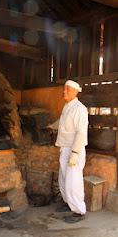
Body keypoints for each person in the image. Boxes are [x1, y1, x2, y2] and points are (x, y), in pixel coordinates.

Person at [49, 80, 88, 223]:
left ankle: (79, 211)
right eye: (64, 89)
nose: (64, 92)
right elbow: (62, 122)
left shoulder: (80, 109)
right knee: (64, 178)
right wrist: (51, 126)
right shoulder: (67, 107)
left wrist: (75, 153)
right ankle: (68, 204)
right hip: (65, 148)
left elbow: (81, 133)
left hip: (74, 150)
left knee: (74, 182)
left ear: (76, 91)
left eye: (67, 90)